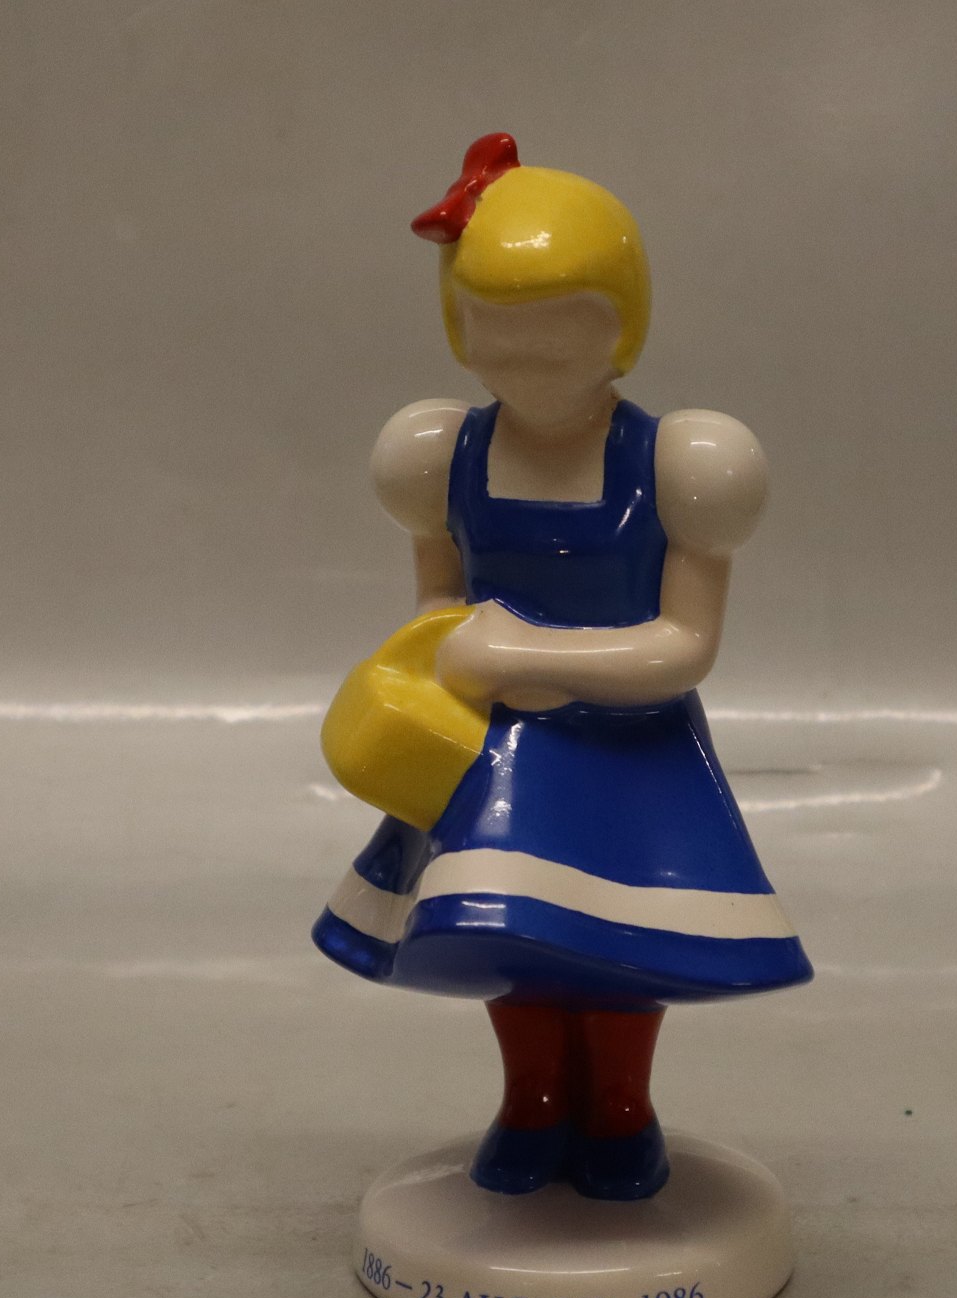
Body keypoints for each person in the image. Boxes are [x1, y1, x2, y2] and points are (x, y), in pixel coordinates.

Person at [313, 134, 812, 1202]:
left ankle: (621, 1107)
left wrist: (528, 653)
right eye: (498, 340)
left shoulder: (680, 463)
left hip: (630, 759)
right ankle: (532, 1100)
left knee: (622, 949)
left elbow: (685, 647)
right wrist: (438, 663)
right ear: (459, 329)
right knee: (512, 942)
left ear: (620, 325)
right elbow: (436, 609)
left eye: (557, 338)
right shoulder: (439, 455)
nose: (526, 366)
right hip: (498, 756)